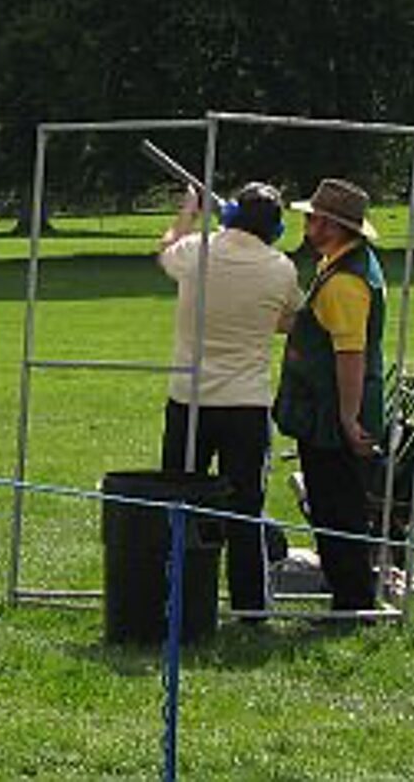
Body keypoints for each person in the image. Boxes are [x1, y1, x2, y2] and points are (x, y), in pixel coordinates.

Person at [158, 181, 303, 613]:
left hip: (190, 399)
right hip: (247, 405)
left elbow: (167, 250)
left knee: (180, 502)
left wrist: (189, 212)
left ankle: (178, 598)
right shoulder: (281, 268)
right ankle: (250, 606)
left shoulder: (196, 251)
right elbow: (289, 320)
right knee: (245, 510)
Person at [273, 178, 387, 614]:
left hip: (334, 413)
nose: (306, 222)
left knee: (338, 510)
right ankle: (349, 597)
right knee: (334, 506)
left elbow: (350, 355)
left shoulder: (345, 283)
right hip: (327, 409)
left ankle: (353, 603)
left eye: (314, 218)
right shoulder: (340, 266)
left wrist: (347, 417)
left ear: (334, 226)